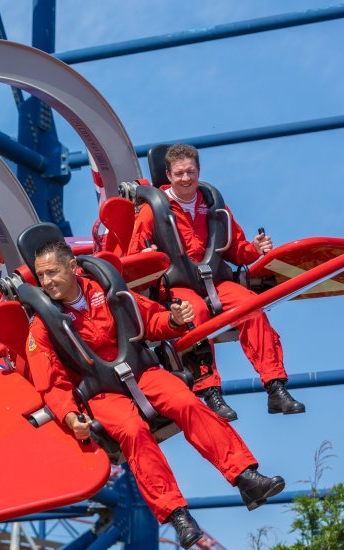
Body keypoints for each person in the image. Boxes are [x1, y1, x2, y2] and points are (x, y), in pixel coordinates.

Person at [25, 240, 285, 549]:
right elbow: (51, 382)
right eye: (41, 276)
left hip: (142, 372)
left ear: (72, 267)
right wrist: (70, 416)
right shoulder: (43, 326)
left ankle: (245, 476)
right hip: (101, 393)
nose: (47, 282)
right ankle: (177, 515)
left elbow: (150, 321)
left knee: (187, 402)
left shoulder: (109, 293)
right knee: (132, 431)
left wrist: (174, 319)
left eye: (52, 272)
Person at [128, 143, 304, 420]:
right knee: (194, 313)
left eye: (190, 172)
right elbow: (134, 261)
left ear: (199, 171)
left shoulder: (215, 206)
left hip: (218, 281)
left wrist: (255, 249)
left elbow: (235, 249)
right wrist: (147, 256)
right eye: (179, 173)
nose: (185, 179)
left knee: (251, 307)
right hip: (179, 286)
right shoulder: (153, 212)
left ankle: (275, 387)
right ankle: (210, 391)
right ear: (168, 175)